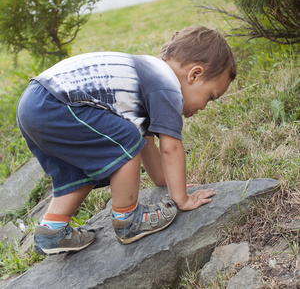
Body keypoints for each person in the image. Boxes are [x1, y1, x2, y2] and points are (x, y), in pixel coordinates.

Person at [16, 25, 236, 255]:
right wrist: (182, 199)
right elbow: (170, 148)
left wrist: (165, 182)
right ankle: (128, 219)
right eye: (210, 97)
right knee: (125, 139)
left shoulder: (145, 79)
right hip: (58, 103)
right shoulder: (167, 84)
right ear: (195, 74)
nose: (204, 107)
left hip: (35, 103)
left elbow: (146, 142)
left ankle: (52, 231)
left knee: (78, 170)